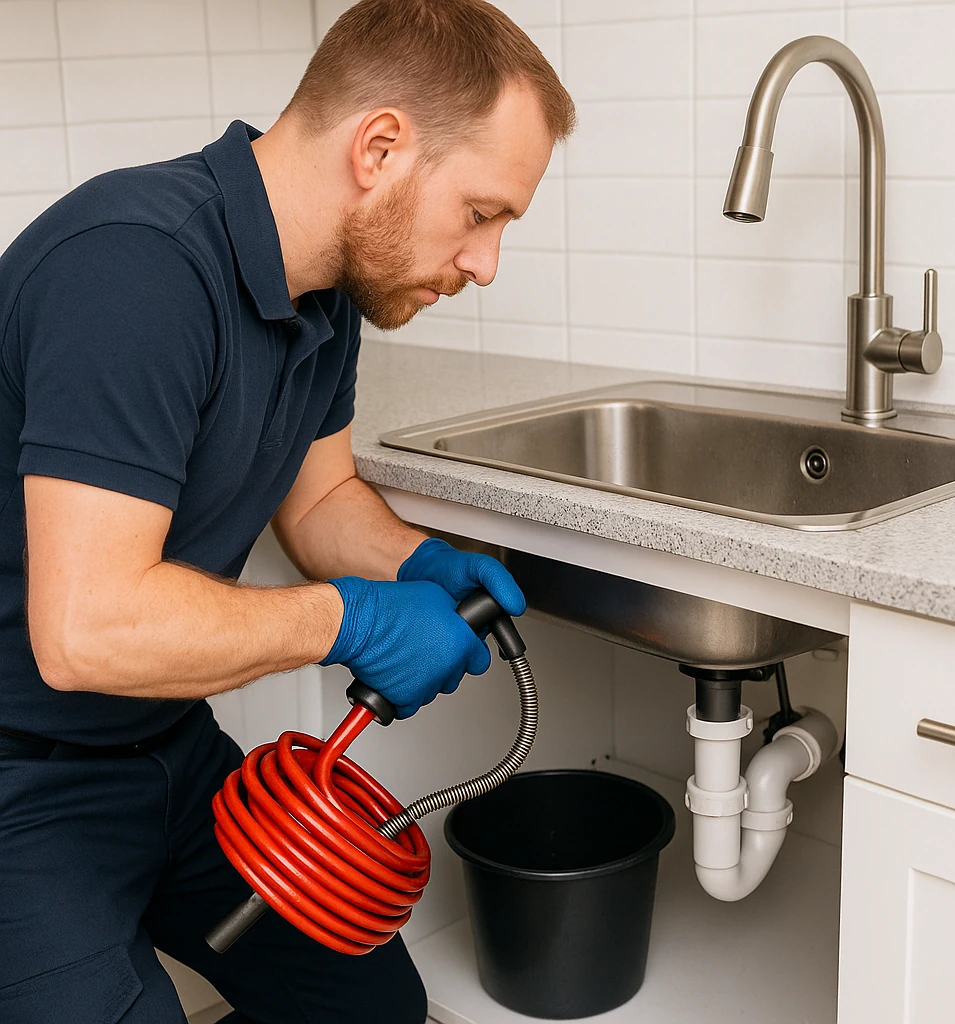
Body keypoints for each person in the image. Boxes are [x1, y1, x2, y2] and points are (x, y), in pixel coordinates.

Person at [0, 1, 576, 1020]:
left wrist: (414, 564)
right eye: (482, 214)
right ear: (381, 147)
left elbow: (319, 499)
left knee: (374, 1009)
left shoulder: (325, 296)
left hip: (172, 753)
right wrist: (347, 620)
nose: (485, 262)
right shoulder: (134, 270)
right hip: (22, 780)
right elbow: (86, 632)